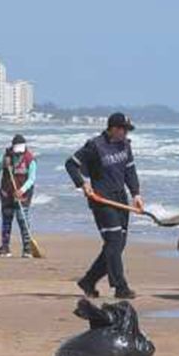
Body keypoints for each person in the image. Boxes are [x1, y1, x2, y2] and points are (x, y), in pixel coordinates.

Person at [65, 113, 143, 299]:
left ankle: (88, 281)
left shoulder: (126, 145)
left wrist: (136, 194)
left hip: (120, 199)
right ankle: (120, 287)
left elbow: (130, 171)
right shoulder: (95, 146)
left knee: (116, 245)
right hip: (101, 199)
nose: (126, 133)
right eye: (124, 129)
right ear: (114, 128)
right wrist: (83, 184)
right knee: (114, 242)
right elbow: (71, 164)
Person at [0, 134, 38, 258]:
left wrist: (22, 190)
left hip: (23, 195)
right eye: (16, 153)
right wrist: (2, 163)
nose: (18, 155)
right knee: (7, 220)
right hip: (7, 193)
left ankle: (27, 248)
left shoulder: (30, 159)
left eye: (20, 153)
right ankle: (5, 247)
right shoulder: (6, 155)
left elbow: (32, 179)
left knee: (22, 219)